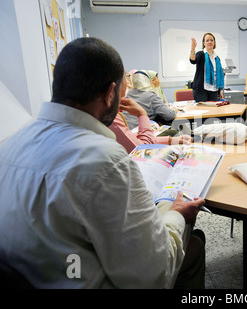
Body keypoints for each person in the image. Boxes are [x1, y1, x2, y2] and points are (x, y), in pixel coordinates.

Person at [0, 37, 206, 289]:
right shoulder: (106, 161)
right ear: (110, 94)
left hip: (42, 272)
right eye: (121, 95)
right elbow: (154, 272)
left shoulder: (9, 144)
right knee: (192, 243)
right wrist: (176, 216)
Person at [109, 77, 192, 154]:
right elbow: (143, 149)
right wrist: (142, 114)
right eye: (125, 79)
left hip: (140, 134)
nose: (127, 82)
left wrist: (171, 140)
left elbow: (133, 140)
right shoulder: (110, 118)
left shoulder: (130, 93)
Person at [189, 32, 224, 102]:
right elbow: (193, 60)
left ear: (214, 42)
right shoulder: (201, 54)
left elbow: (218, 75)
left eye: (211, 40)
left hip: (214, 90)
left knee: (213, 111)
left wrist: (220, 90)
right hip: (201, 90)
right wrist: (193, 48)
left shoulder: (217, 58)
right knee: (203, 111)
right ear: (204, 43)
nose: (209, 42)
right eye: (207, 40)